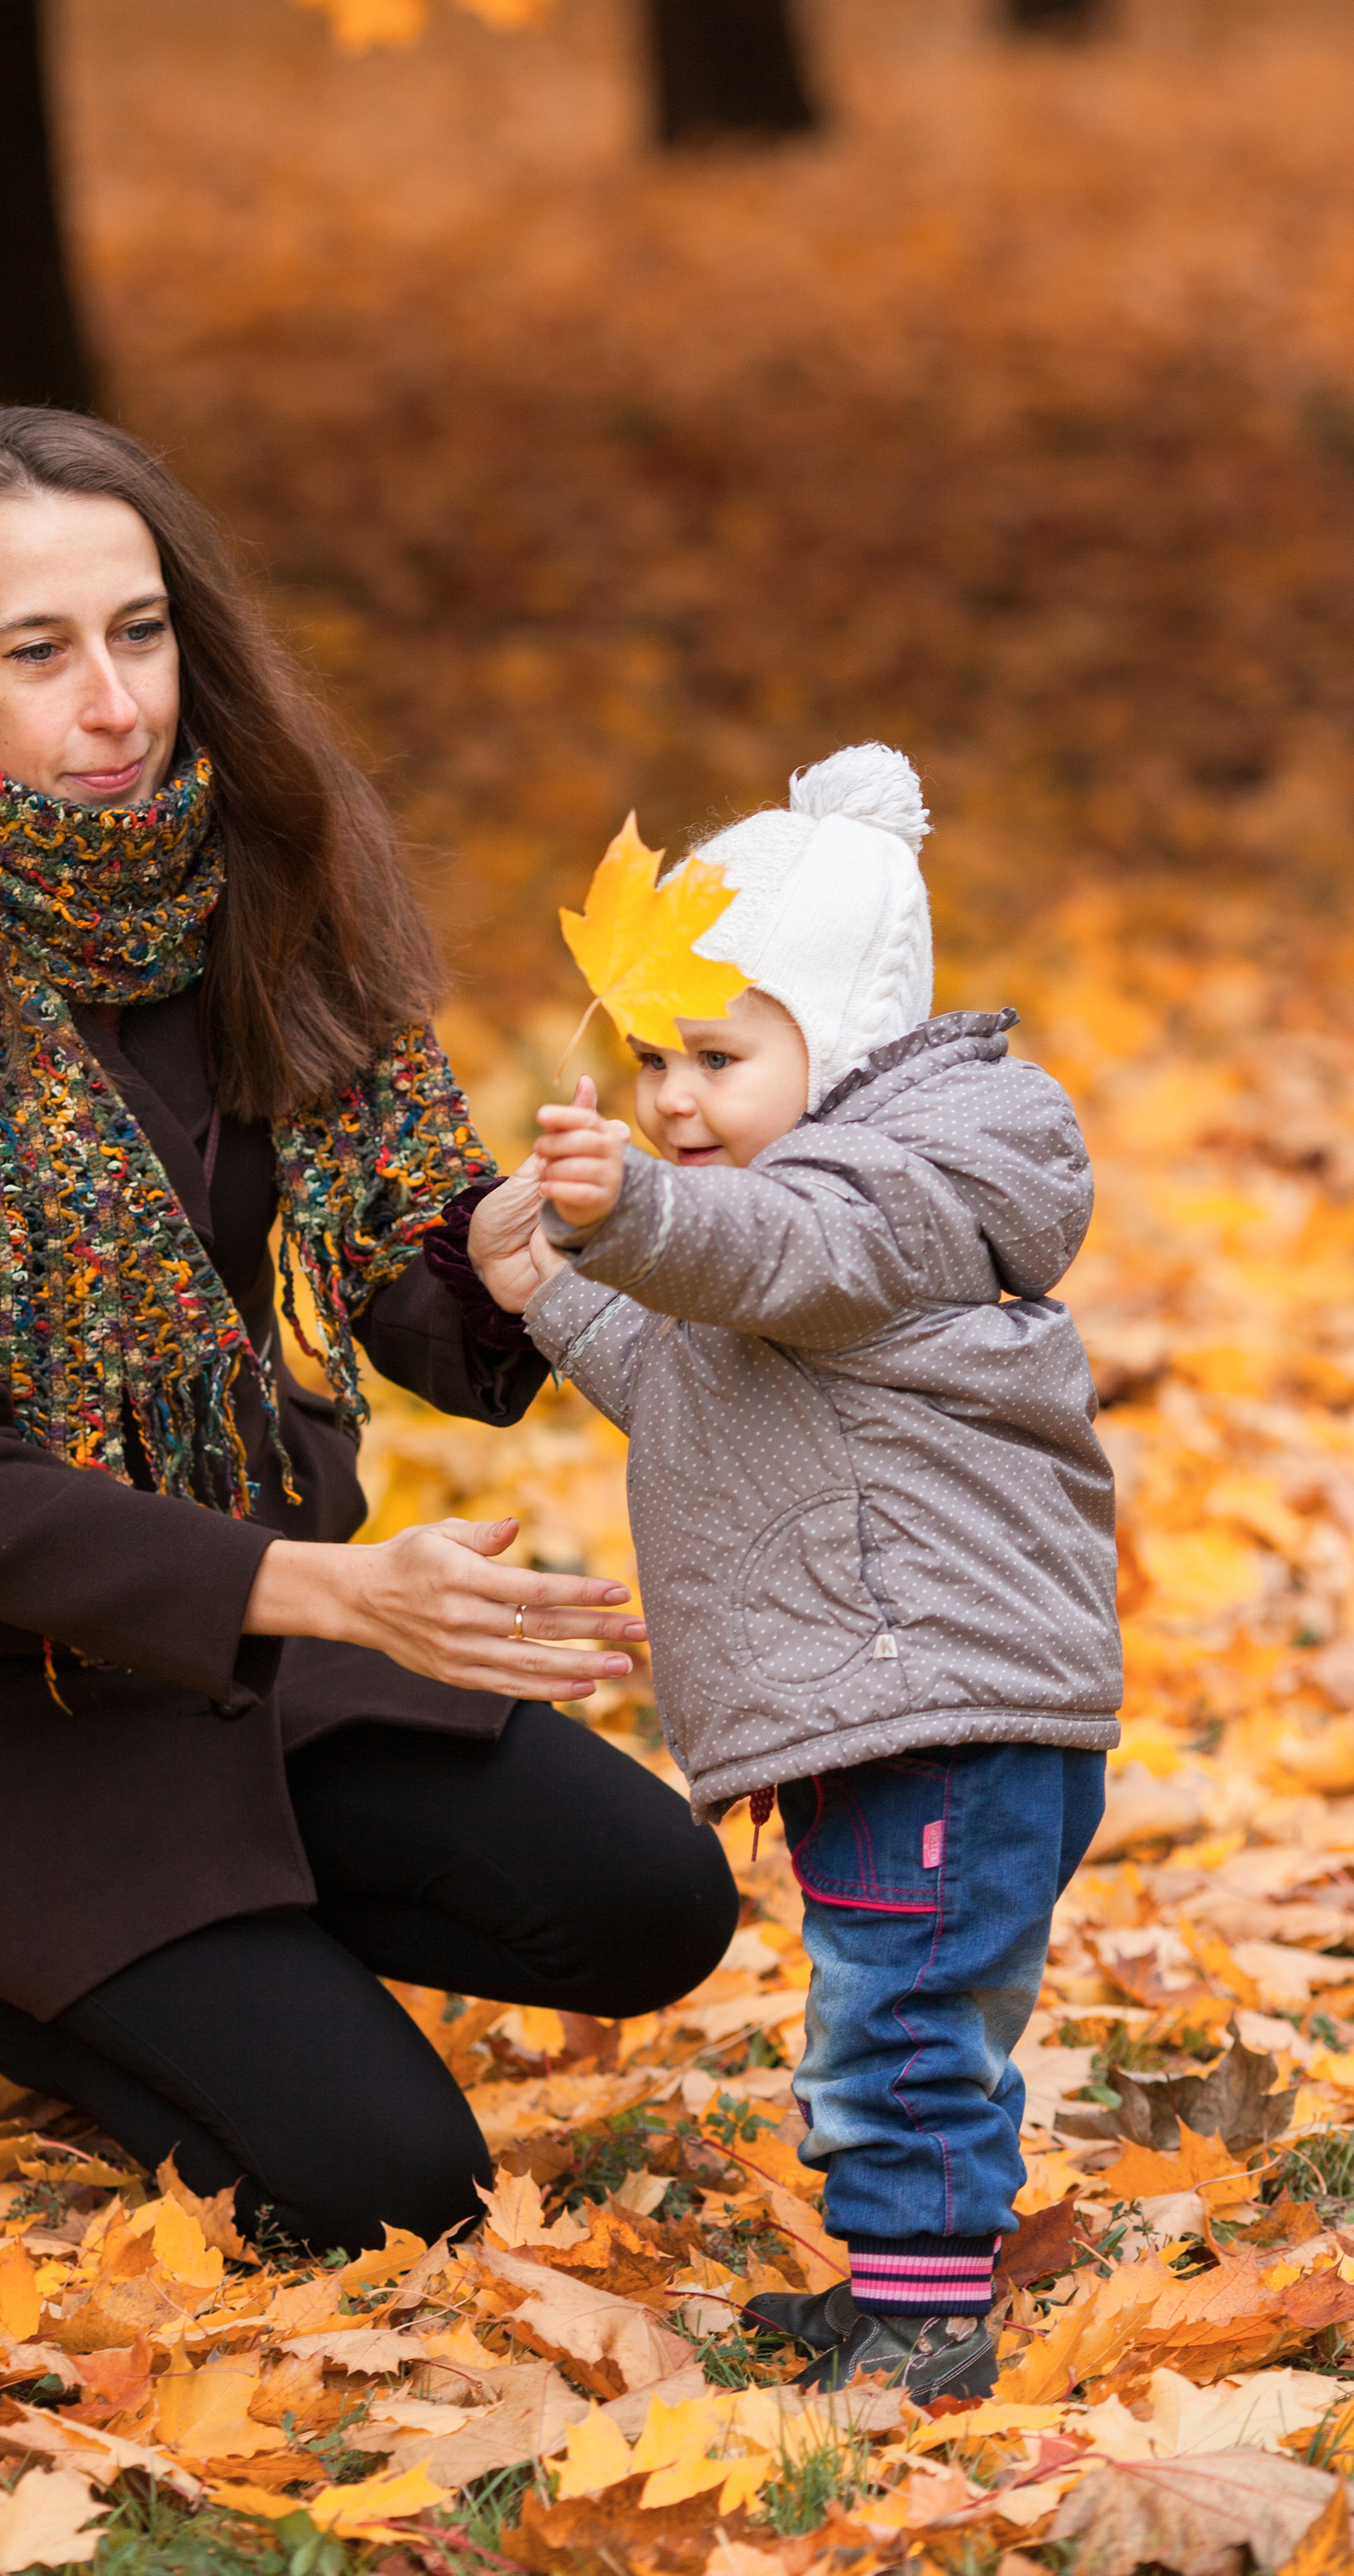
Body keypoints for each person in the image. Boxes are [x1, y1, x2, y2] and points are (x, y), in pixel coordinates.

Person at [0, 401, 736, 2248]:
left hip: (238, 1651)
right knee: (392, 2187)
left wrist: (507, 1243)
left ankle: (234, 1955)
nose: (114, 703)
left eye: (141, 631)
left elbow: (405, 1289)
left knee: (650, 1900)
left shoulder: (255, 866)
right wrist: (343, 1592)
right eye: (37, 652)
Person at [466, 745, 1122, 2397]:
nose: (673, 1097)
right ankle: (903, 2275)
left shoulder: (899, 1193)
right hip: (882, 1697)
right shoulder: (755, 1231)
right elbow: (685, 1363)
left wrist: (630, 1221)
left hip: (942, 1704)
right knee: (891, 2001)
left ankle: (927, 2320)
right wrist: (550, 1287)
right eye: (647, 1059)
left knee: (899, 2025)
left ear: (845, 1048)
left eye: (717, 1055)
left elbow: (775, 1250)